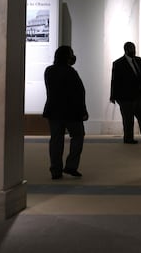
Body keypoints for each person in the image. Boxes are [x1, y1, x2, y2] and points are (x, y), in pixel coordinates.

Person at [42, 45, 88, 180]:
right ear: (67, 57)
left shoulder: (49, 71)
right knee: (78, 136)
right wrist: (83, 111)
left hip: (53, 111)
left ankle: (56, 170)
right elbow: (80, 93)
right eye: (71, 54)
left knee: (56, 140)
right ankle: (71, 166)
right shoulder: (71, 72)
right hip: (71, 113)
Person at [110, 41, 141, 144]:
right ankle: (128, 138)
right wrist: (113, 96)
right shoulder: (118, 63)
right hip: (126, 97)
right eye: (131, 49)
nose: (133, 51)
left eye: (134, 48)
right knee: (128, 120)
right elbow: (115, 81)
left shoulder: (138, 60)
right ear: (126, 50)